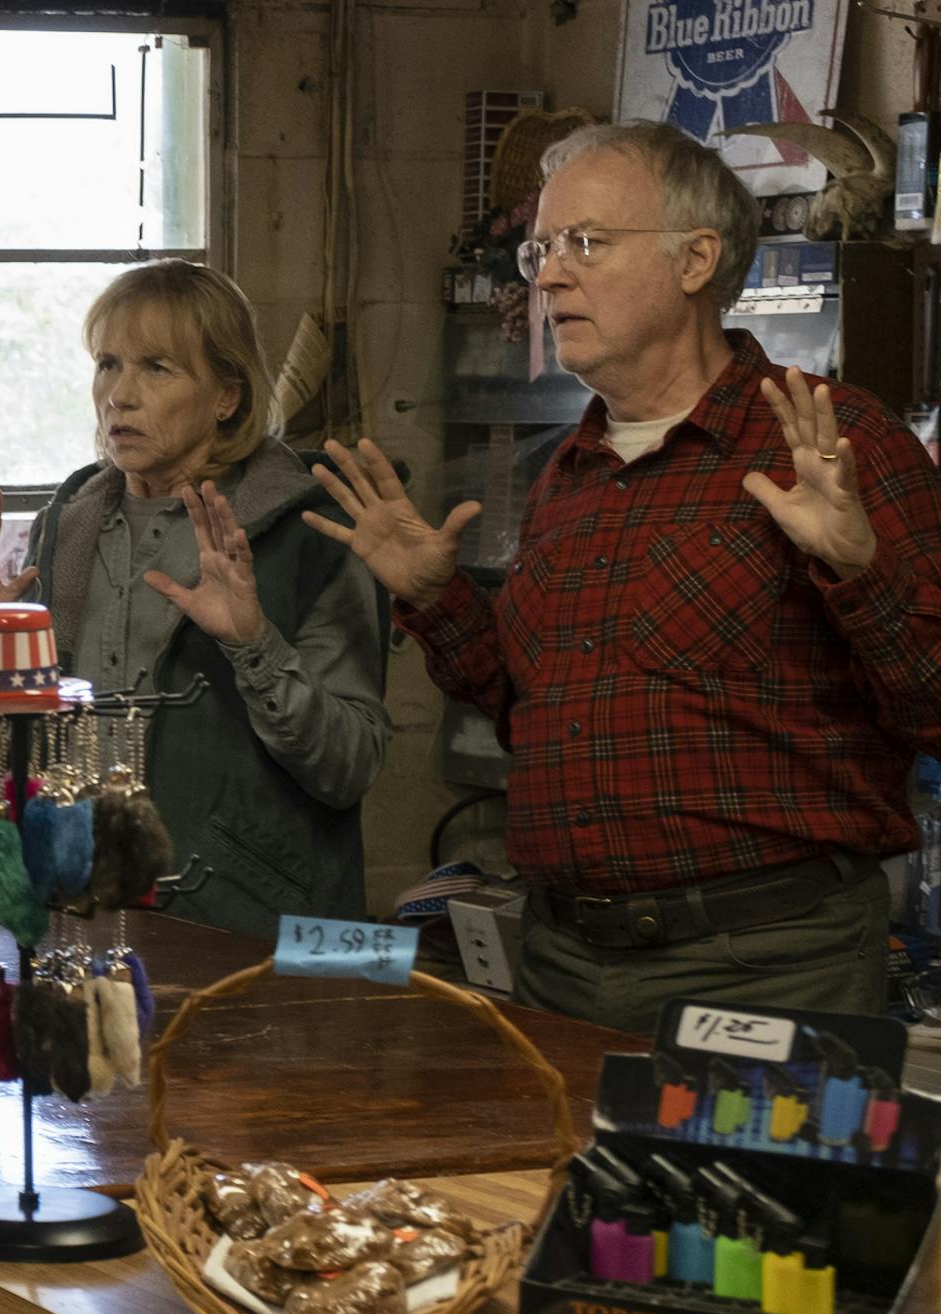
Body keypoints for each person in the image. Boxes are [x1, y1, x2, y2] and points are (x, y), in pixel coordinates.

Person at [309, 120, 941, 1034]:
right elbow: (539, 721)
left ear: (696, 260)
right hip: (567, 961)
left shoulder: (830, 441)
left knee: (739, 1186)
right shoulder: (574, 472)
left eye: (587, 243)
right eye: (543, 248)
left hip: (768, 968)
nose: (550, 275)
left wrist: (858, 570)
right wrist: (438, 600)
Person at [0, 259, 390, 934]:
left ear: (227, 395)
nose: (119, 395)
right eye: (108, 364)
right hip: (80, 914)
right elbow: (6, 762)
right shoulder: (66, 527)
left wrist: (254, 645)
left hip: (267, 934)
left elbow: (350, 766)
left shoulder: (311, 528)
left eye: (156, 368)